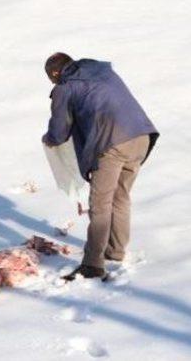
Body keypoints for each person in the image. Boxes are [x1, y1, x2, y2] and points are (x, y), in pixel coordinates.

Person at [42, 52, 159, 281]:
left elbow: (59, 131)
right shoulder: (103, 72)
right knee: (120, 197)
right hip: (141, 136)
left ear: (56, 73)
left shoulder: (65, 88)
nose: (53, 83)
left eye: (51, 78)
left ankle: (93, 265)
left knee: (100, 204)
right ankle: (115, 251)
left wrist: (50, 139)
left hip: (112, 143)